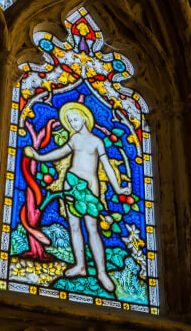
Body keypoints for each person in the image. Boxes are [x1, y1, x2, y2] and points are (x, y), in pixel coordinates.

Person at [24, 101, 130, 293]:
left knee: (92, 228)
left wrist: (118, 188)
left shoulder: (97, 141)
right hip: (70, 184)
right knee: (73, 226)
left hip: (90, 187)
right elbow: (59, 153)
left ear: (84, 118)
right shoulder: (73, 139)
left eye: (75, 119)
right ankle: (80, 265)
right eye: (70, 120)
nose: (72, 123)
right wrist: (39, 157)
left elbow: (106, 166)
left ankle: (101, 272)